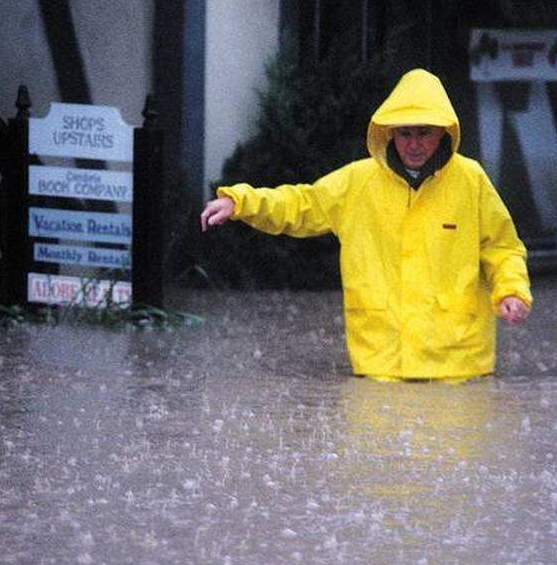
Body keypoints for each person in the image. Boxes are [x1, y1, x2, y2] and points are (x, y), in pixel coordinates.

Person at [200, 68, 531, 383]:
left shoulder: (470, 180)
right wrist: (240, 202)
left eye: (424, 133)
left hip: (459, 365)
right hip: (380, 363)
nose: (414, 144)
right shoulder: (358, 181)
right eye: (405, 133)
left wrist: (512, 291)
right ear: (389, 133)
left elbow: (501, 246)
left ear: (444, 132)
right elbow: (301, 204)